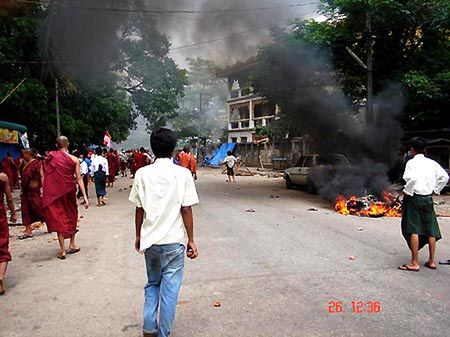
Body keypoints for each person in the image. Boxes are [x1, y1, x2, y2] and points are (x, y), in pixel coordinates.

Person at [129, 128, 199, 337]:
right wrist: (192, 240)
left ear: (153, 147)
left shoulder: (142, 173)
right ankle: (163, 333)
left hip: (151, 242)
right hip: (173, 243)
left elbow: (139, 209)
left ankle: (149, 326)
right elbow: (186, 208)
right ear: (173, 148)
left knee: (153, 284)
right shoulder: (183, 174)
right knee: (169, 291)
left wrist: (139, 236)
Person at [398, 137, 449, 272]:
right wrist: (436, 190)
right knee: (430, 229)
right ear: (424, 149)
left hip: (414, 198)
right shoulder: (432, 163)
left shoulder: (411, 163)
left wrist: (407, 191)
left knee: (413, 228)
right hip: (427, 198)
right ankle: (431, 261)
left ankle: (414, 262)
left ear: (412, 149)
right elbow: (445, 177)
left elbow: (411, 178)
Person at [42, 136, 89, 260]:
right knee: (71, 215)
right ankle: (72, 244)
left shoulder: (50, 158)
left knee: (59, 218)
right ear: (67, 144)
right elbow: (79, 179)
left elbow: (45, 177)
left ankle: (62, 250)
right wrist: (85, 196)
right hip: (69, 191)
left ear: (56, 145)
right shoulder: (74, 159)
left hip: (56, 193)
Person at [19, 149, 44, 240]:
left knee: (38, 208)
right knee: (25, 210)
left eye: (24, 154)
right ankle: (28, 230)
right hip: (26, 191)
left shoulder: (37, 164)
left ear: (28, 154)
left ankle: (49, 222)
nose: (23, 155)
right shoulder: (25, 165)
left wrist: (43, 189)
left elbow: (42, 176)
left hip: (35, 190)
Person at [0, 173, 17, 295]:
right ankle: (0, 278)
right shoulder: (3, 177)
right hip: (0, 216)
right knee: (2, 246)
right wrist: (13, 213)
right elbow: (9, 198)